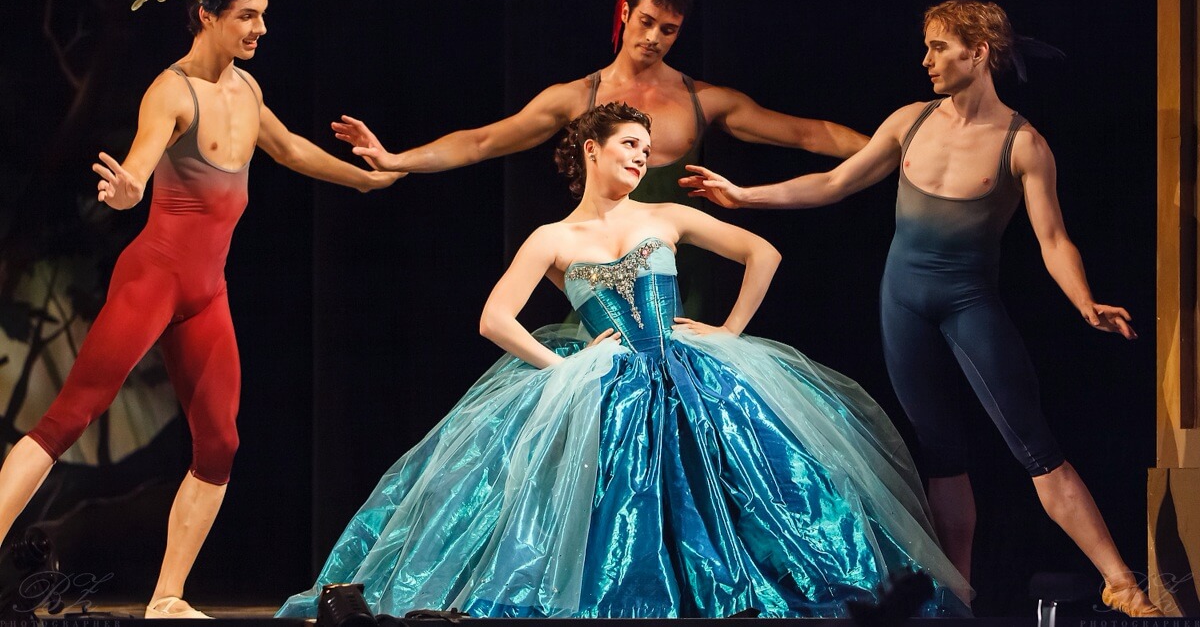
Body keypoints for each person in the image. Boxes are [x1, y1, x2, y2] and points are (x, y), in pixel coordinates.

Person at [278, 102, 969, 619]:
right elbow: (494, 318)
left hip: (685, 364)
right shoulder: (553, 236)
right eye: (630, 145)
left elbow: (765, 253)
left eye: (647, 147)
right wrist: (562, 368)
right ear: (590, 149)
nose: (643, 156)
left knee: (745, 488)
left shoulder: (664, 216)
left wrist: (728, 329)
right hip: (600, 380)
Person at [680, 0, 1161, 617]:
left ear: (978, 53)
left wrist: (1084, 301)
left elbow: (1053, 239)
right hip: (901, 303)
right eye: (927, 45)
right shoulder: (909, 121)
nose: (926, 59)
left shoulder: (1023, 144)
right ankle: (957, 595)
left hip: (968, 304)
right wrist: (745, 196)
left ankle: (1120, 582)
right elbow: (835, 182)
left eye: (938, 47)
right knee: (940, 454)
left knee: (1035, 447)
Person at [0, 0, 398, 619]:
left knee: (220, 445)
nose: (260, 29)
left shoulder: (246, 91)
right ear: (207, 15)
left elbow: (293, 149)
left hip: (205, 294)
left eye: (264, 16)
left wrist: (367, 177)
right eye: (247, 16)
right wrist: (127, 192)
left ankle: (167, 598)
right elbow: (136, 169)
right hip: (153, 280)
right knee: (66, 419)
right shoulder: (171, 92)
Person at [329, 0, 868, 314]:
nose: (654, 38)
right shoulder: (576, 97)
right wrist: (398, 158)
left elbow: (807, 132)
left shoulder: (703, 99)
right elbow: (482, 142)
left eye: (670, 30)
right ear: (626, 13)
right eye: (648, 21)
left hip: (684, 273)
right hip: (600, 276)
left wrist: (891, 148)